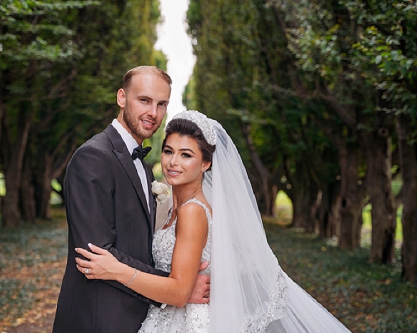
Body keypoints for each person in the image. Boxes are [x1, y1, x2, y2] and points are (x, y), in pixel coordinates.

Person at [76, 110, 353, 333]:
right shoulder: (173, 205)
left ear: (206, 163)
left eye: (187, 155)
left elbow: (179, 292)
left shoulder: (192, 212)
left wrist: (116, 270)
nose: (174, 162)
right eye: (169, 151)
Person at [52, 67, 210, 333]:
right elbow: (95, 254)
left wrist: (175, 287)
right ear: (122, 98)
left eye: (162, 104)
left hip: (137, 317)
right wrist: (176, 288)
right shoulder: (93, 158)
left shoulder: (142, 165)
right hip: (97, 318)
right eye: (144, 100)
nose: (153, 113)